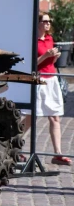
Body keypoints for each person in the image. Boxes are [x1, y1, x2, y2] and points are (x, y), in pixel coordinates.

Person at [22, 12, 70, 165]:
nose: (48, 24)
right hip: (39, 80)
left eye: (49, 21)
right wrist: (45, 56)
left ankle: (58, 154)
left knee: (55, 117)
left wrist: (54, 57)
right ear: (38, 24)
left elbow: (51, 62)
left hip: (51, 79)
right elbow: (31, 64)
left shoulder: (50, 39)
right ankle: (14, 146)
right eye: (45, 21)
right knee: (31, 117)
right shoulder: (32, 41)